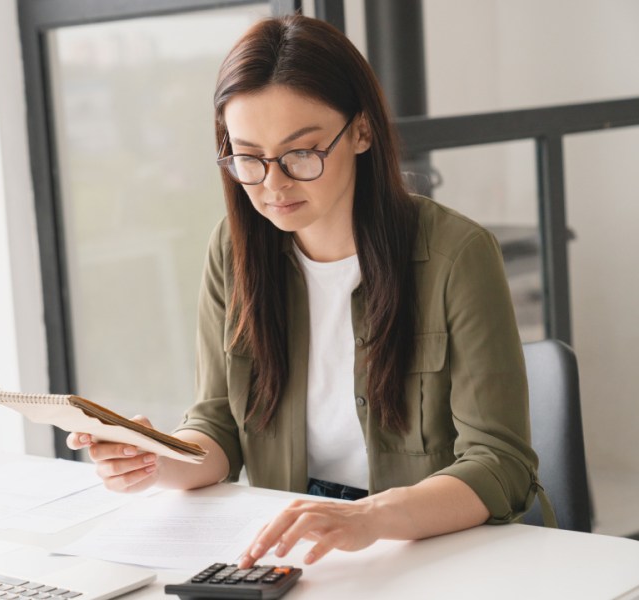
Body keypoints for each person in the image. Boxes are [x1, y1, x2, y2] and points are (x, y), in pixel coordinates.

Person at [67, 14, 548, 569]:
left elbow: (501, 463)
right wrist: (157, 460)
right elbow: (219, 423)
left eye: (301, 153)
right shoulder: (234, 251)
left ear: (362, 131)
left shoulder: (456, 255)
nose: (274, 183)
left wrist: (368, 517)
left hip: (434, 551)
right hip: (296, 554)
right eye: (248, 156)